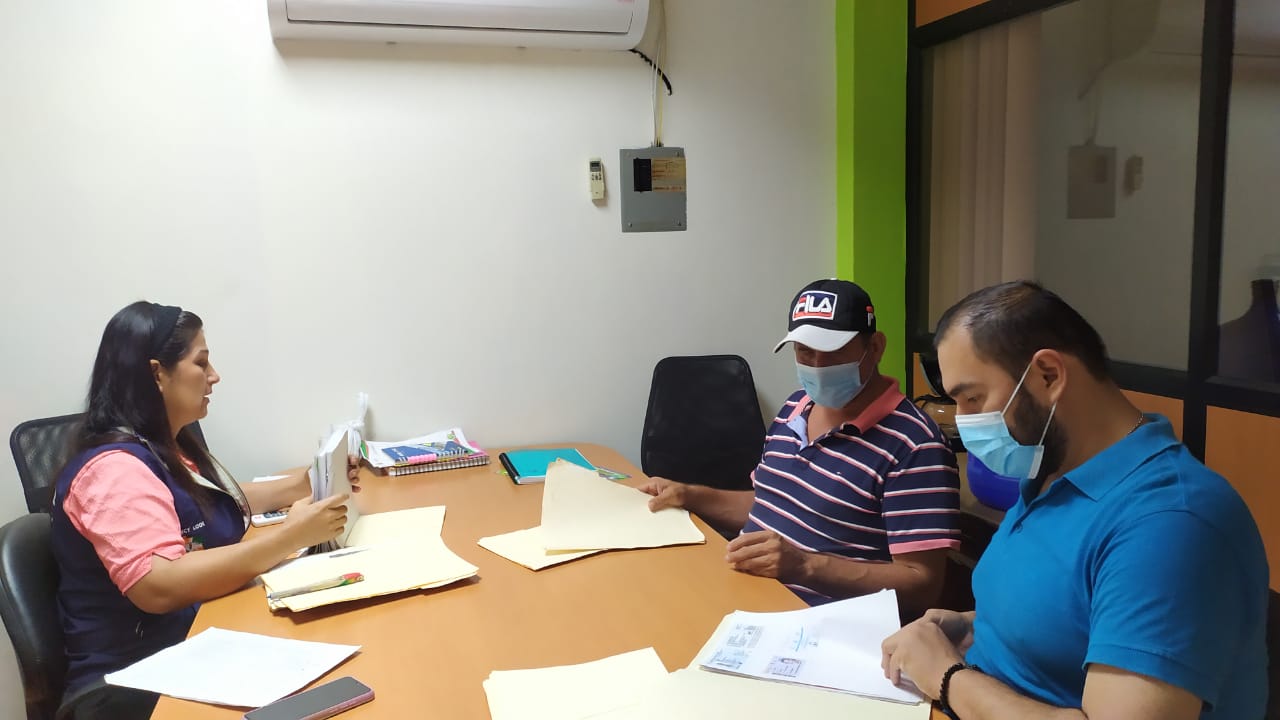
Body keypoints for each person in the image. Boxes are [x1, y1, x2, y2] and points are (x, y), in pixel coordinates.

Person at [881, 281, 1268, 720]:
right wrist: (974, 626)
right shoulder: (1051, 474)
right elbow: (1072, 618)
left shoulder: (1171, 523)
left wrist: (946, 676)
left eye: (973, 398)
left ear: (1048, 375)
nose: (964, 420)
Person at [51, 302, 357, 720]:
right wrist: (290, 537)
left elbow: (214, 501)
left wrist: (302, 484)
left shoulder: (162, 446)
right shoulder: (112, 471)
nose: (214, 376)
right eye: (201, 363)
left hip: (191, 647)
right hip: (133, 685)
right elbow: (158, 585)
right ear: (157, 374)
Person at [643, 279, 961, 618]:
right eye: (805, 351)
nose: (818, 366)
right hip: (747, 597)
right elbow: (770, 504)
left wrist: (805, 566)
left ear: (875, 347)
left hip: (820, 625)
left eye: (834, 351)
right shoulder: (796, 407)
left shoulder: (915, 445)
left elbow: (921, 585)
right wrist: (689, 495)